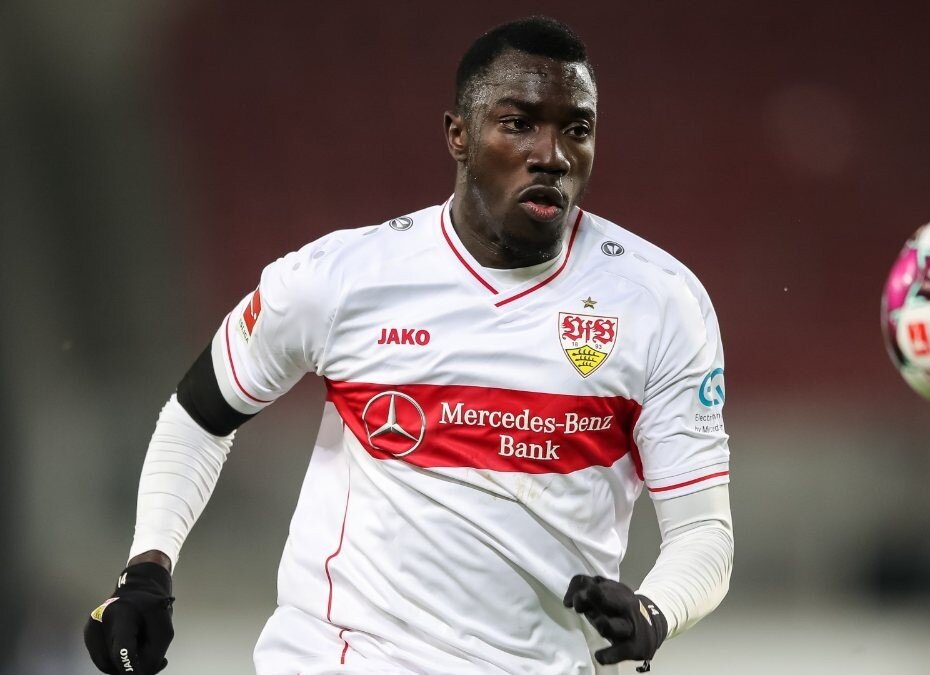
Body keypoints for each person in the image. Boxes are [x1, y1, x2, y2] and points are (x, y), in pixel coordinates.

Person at [85, 16, 733, 674]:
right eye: (519, 123)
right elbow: (199, 416)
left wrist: (655, 610)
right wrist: (147, 568)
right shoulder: (340, 279)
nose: (552, 155)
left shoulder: (659, 304)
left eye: (577, 129)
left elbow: (703, 532)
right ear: (458, 134)